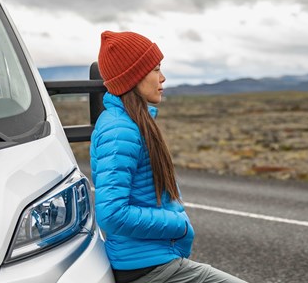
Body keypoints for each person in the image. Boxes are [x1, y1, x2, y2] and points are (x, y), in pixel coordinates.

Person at [90, 30, 247, 283]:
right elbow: (112, 213)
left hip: (152, 261)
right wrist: (178, 223)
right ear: (133, 77)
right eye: (155, 70)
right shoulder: (120, 130)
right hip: (146, 268)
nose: (162, 78)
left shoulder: (132, 123)